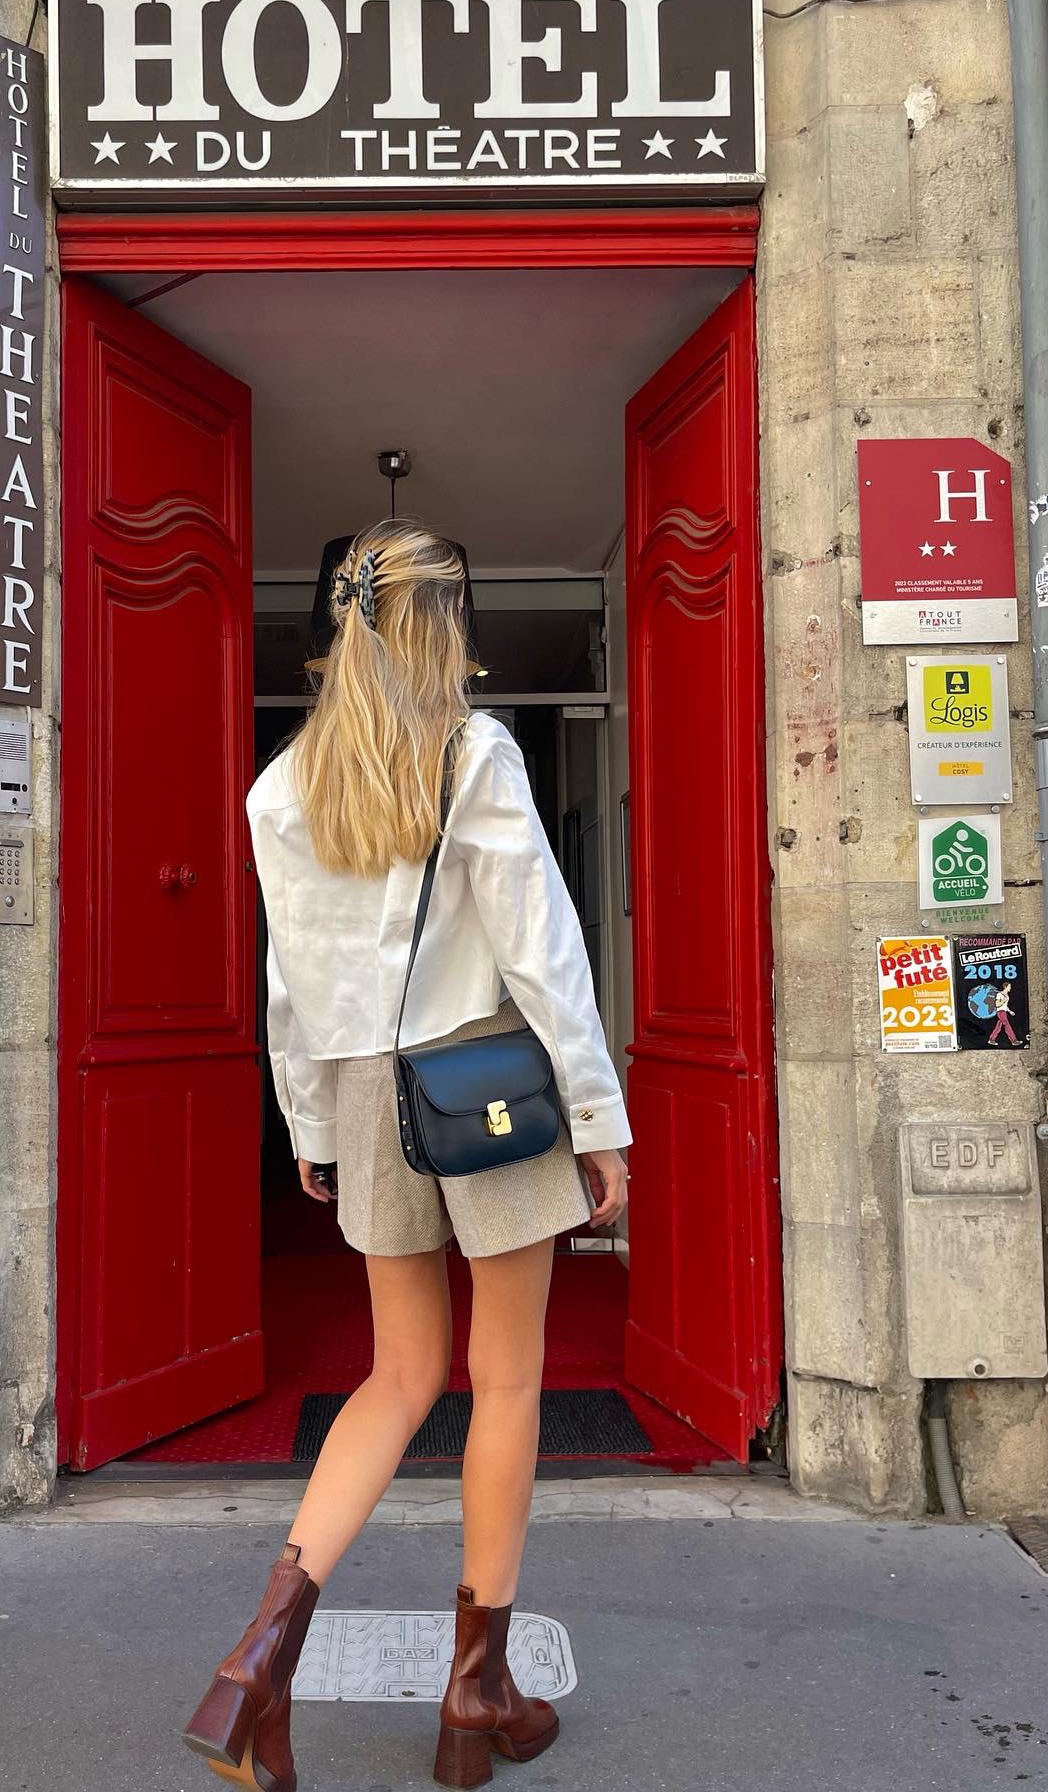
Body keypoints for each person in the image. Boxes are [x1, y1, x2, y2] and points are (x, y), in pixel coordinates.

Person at [182, 519, 631, 1792]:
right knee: (507, 1378)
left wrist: (310, 1125)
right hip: (484, 1083)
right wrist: (599, 1114)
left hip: (369, 1091)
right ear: (444, 623)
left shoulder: (282, 788)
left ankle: (255, 1663)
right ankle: (476, 1686)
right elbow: (540, 945)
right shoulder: (471, 750)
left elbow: (289, 983)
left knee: (396, 1377)